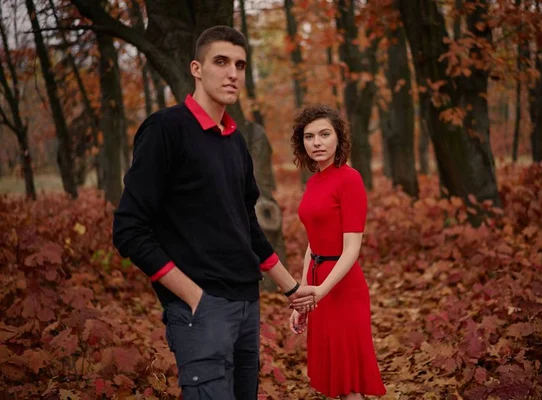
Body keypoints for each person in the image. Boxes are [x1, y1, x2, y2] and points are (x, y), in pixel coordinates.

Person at [112, 26, 315, 400]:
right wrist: (193, 296)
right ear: (197, 68)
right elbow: (129, 229)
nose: (232, 73)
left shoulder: (234, 140)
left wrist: (292, 287)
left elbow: (246, 225)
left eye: (239, 64)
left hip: (246, 304)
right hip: (201, 310)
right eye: (221, 62)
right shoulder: (166, 129)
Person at [288, 105, 386, 399]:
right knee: (333, 381)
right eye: (309, 136)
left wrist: (321, 290)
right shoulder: (314, 182)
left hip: (342, 287)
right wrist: (304, 296)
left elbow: (352, 249)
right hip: (318, 284)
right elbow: (312, 244)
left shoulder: (349, 179)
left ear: (338, 138)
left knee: (349, 384)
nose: (316, 142)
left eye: (324, 134)